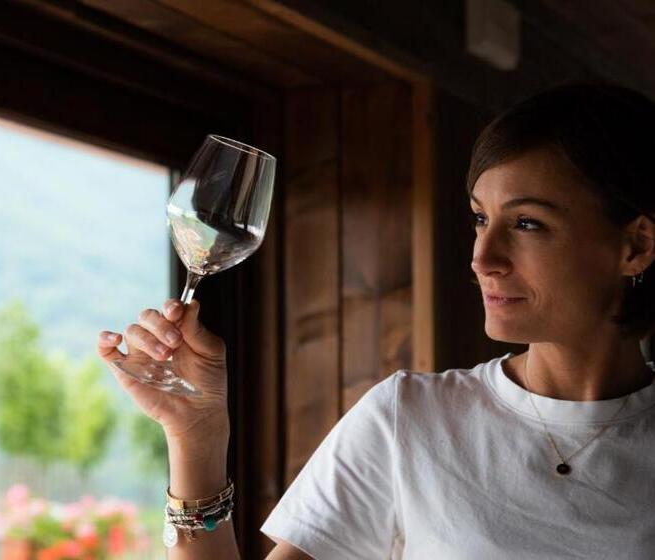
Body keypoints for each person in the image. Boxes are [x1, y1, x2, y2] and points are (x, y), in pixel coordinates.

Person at [96, 82, 655, 559]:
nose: (482, 258)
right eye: (480, 219)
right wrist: (196, 437)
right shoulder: (411, 418)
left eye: (527, 223)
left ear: (636, 245)